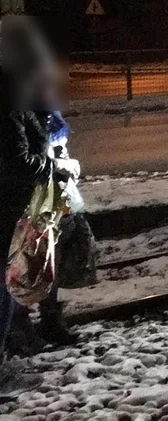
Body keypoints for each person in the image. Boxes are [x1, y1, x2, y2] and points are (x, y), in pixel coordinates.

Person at [0, 18, 80, 369]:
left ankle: (40, 322)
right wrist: (54, 167)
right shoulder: (10, 93)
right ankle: (17, 334)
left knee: (44, 252)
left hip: (37, 191)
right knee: (18, 263)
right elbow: (17, 154)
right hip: (20, 195)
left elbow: (49, 123)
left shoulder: (27, 84)